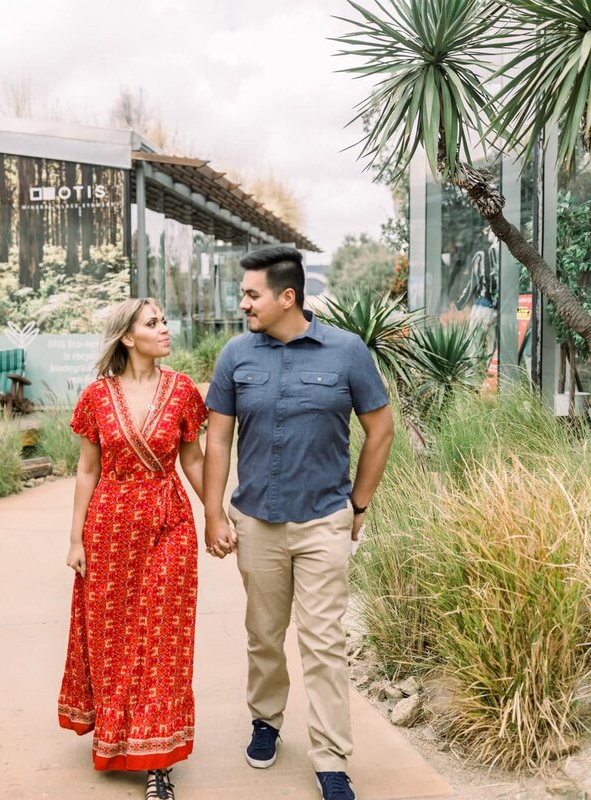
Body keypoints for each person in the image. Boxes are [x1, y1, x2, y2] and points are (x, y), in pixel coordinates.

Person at [201, 246, 394, 800]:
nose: (243, 304)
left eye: (251, 294)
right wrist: (214, 513)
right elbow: (217, 437)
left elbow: (381, 430)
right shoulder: (236, 355)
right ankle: (266, 720)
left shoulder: (347, 352)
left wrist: (358, 506)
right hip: (256, 521)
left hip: (323, 522)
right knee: (263, 635)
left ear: (288, 297)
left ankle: (332, 757)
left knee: (325, 642)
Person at [58, 297, 207, 800]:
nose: (165, 328)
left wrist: (218, 514)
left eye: (165, 320)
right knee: (115, 639)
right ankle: (119, 731)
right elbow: (87, 470)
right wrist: (75, 538)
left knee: (164, 641)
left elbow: (194, 461)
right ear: (127, 336)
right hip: (110, 530)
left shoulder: (183, 390)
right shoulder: (98, 396)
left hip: (169, 524)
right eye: (153, 323)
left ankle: (157, 763)